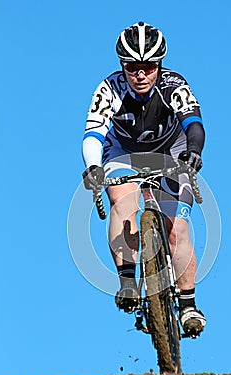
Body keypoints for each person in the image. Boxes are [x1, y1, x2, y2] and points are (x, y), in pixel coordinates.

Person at [82, 22, 206, 337]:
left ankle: (189, 304)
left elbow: (194, 125)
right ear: (123, 66)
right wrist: (93, 166)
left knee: (176, 229)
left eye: (148, 67)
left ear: (159, 65)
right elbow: (93, 135)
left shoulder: (174, 86)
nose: (140, 74)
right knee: (121, 203)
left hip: (171, 148)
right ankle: (127, 281)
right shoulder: (109, 90)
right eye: (133, 67)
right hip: (124, 150)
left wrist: (193, 152)